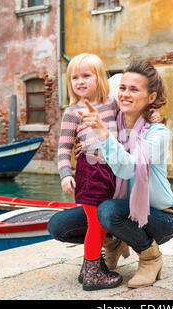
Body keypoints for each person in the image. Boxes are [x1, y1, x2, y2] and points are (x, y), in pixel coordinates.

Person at [80, 60, 173, 288]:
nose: (125, 94)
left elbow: (128, 168)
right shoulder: (113, 124)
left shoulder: (157, 134)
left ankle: (150, 257)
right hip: (122, 208)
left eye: (134, 89)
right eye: (123, 88)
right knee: (62, 224)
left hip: (160, 217)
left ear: (151, 98)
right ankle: (114, 242)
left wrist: (102, 134)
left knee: (107, 211)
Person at [56, 52, 123, 291]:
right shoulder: (72, 113)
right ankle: (94, 272)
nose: (80, 81)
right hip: (90, 170)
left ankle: (88, 268)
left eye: (86, 75)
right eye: (75, 77)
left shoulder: (112, 104)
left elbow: (135, 112)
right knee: (96, 223)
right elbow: (64, 147)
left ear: (99, 78)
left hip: (114, 170)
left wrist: (154, 114)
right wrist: (66, 174)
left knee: (104, 221)